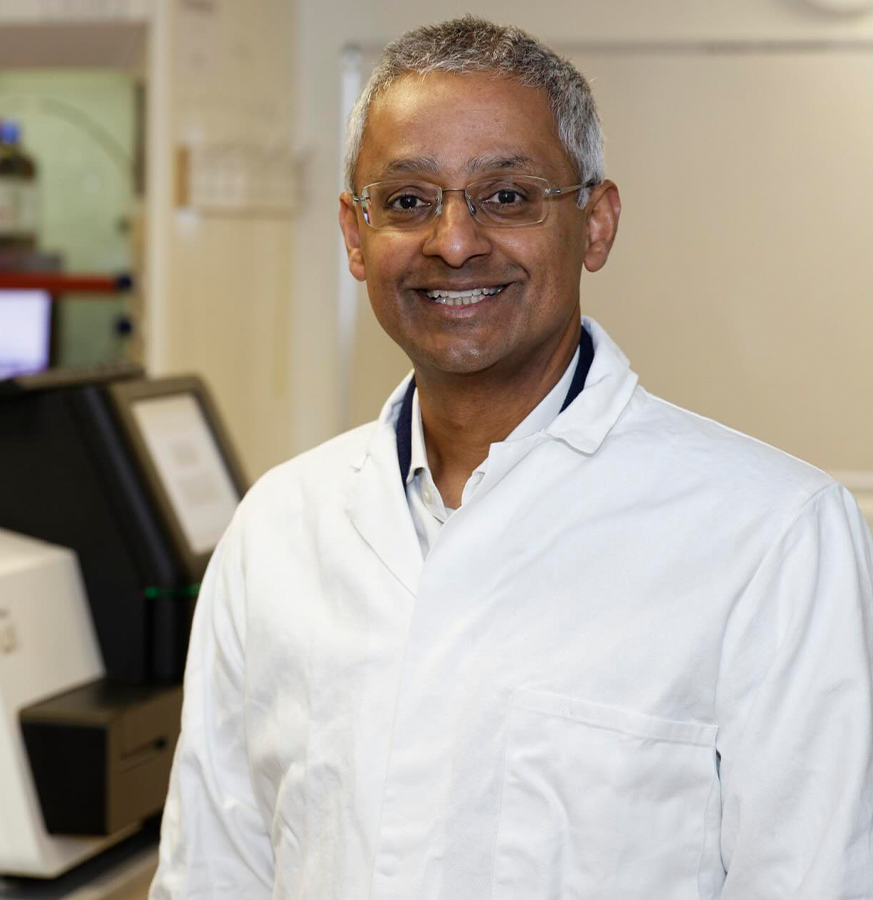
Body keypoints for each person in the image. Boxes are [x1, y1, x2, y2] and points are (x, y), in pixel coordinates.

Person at [150, 16, 873, 899]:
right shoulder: (278, 528)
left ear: (595, 224)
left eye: (508, 196)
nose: (454, 241)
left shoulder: (775, 538)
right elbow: (212, 876)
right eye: (408, 200)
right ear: (353, 234)